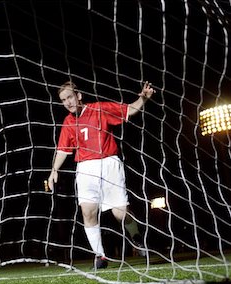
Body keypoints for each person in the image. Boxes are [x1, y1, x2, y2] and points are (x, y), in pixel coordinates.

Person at [47, 81, 155, 269]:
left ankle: (136, 236)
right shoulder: (68, 122)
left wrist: (143, 98)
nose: (68, 103)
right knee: (88, 212)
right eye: (64, 100)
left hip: (109, 164)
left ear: (78, 95)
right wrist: (54, 170)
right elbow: (63, 149)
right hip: (85, 169)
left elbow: (128, 110)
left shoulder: (99, 109)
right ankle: (100, 256)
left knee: (120, 214)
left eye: (70, 97)